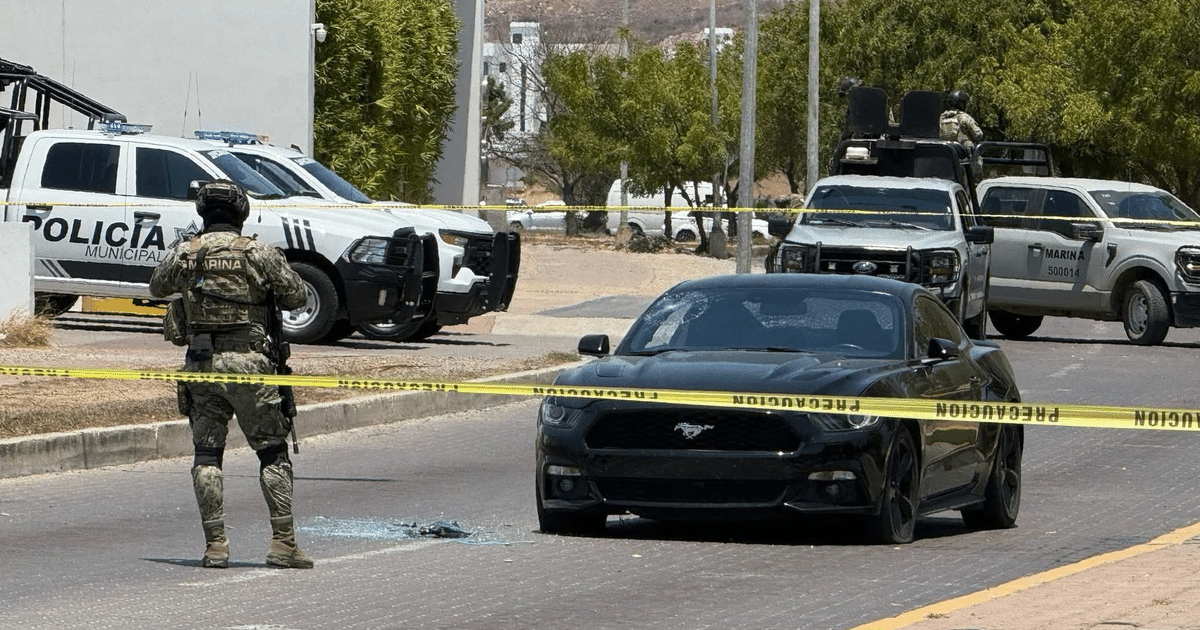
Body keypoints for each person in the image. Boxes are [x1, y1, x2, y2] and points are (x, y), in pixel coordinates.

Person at [149, 180, 312, 570]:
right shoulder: (259, 252)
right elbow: (298, 297)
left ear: (202, 213)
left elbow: (157, 287)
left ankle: (216, 545)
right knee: (272, 451)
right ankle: (283, 543)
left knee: (207, 455)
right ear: (242, 212)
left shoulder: (185, 253)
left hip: (201, 365)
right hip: (252, 366)